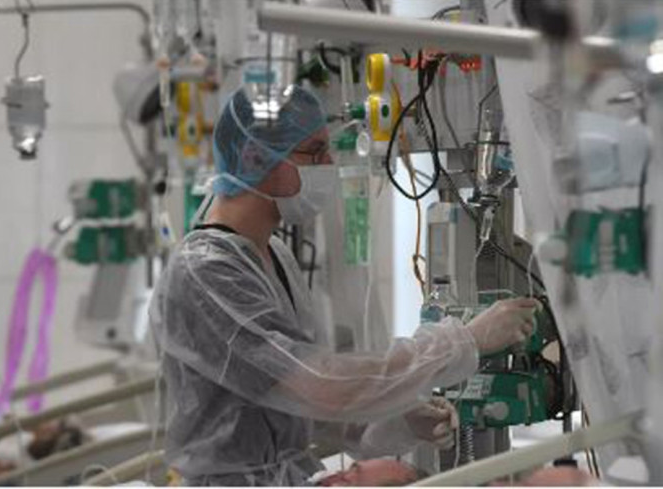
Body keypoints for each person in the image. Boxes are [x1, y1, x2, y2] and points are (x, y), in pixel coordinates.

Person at [149, 85, 539, 486]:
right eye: (315, 152)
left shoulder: (273, 254)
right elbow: (319, 384)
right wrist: (462, 341)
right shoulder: (206, 272)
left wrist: (395, 421)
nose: (329, 164)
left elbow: (298, 400)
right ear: (254, 157)